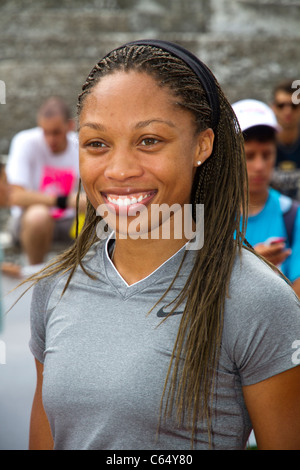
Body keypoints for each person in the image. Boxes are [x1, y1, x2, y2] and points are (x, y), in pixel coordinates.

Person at [27, 40, 300, 450]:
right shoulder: (55, 288)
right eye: (97, 144)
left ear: (202, 146)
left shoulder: (256, 298)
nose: (119, 170)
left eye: (150, 140)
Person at [4, 96, 85, 276]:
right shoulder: (25, 141)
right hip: (29, 222)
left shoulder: (81, 145)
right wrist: (64, 201)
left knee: (102, 217)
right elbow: (15, 196)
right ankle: (34, 276)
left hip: (70, 222)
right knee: (38, 215)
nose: (50, 139)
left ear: (70, 126)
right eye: (45, 132)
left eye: (56, 132)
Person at [232, 99, 300, 298]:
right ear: (231, 156)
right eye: (249, 156)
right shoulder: (207, 216)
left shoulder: (292, 214)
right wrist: (252, 265)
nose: (260, 166)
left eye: (267, 154)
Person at [271, 79, 300, 201]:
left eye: (294, 105)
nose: (287, 111)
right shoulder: (261, 141)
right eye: (281, 105)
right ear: (273, 107)